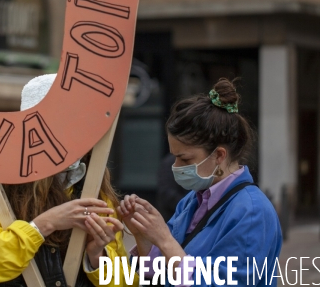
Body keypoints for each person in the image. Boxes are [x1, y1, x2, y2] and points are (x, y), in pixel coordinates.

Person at [0, 74, 136, 287]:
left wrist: (97, 257)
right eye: (59, 125)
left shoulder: (96, 192)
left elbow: (126, 283)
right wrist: (42, 225)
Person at [119, 78, 282, 286]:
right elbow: (160, 274)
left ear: (219, 155)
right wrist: (143, 236)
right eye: (174, 157)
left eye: (185, 159)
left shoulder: (251, 212)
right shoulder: (192, 201)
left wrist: (164, 239)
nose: (176, 166)